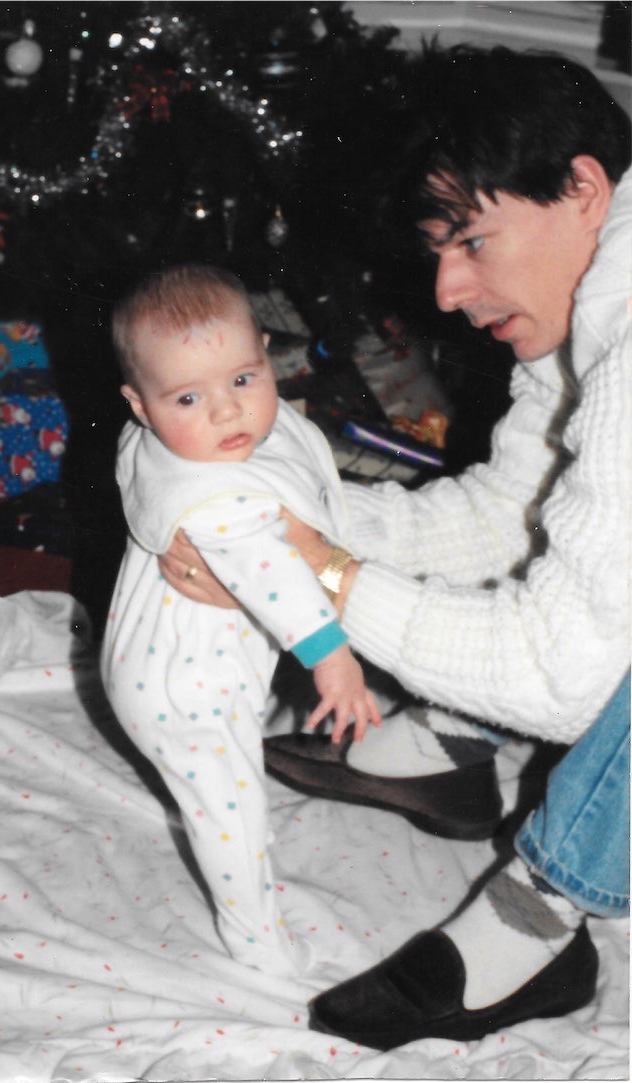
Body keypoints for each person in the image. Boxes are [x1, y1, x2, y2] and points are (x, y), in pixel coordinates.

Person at [159, 45, 631, 1048]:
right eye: (439, 252)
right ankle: (464, 748)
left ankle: (544, 918)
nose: (450, 290)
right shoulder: (593, 297)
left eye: (471, 240)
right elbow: (509, 516)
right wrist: (296, 511)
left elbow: (568, 679)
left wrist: (314, 570)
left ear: (582, 188)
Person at [100, 264, 381, 978]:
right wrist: (333, 657)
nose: (226, 412)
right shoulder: (219, 496)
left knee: (232, 770)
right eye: (189, 397)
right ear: (139, 404)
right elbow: (274, 573)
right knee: (230, 810)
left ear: (265, 352)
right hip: (181, 690)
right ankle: (256, 940)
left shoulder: (166, 440)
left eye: (242, 379)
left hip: (165, 654)